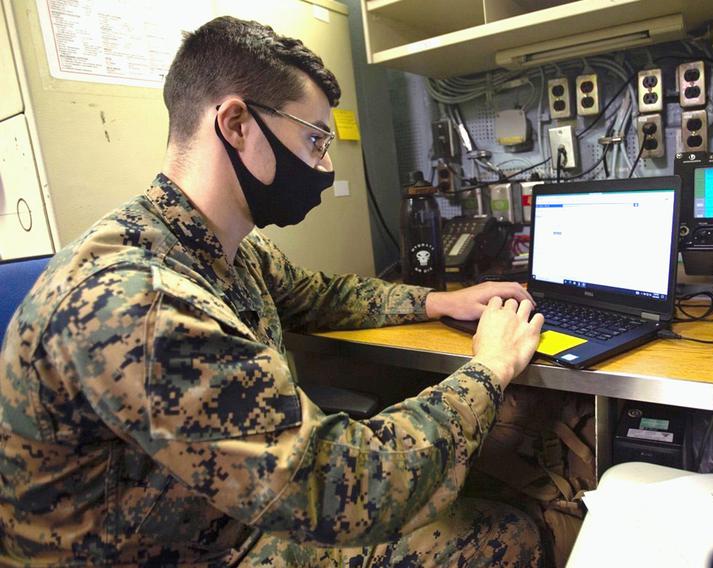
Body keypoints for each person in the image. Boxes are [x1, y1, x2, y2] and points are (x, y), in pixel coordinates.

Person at [0, 16, 545, 567]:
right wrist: (491, 367)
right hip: (183, 553)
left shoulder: (206, 243)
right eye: (314, 140)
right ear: (236, 123)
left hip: (215, 522)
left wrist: (436, 301)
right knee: (505, 534)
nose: (325, 165)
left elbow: (319, 295)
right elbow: (351, 488)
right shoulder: (139, 304)